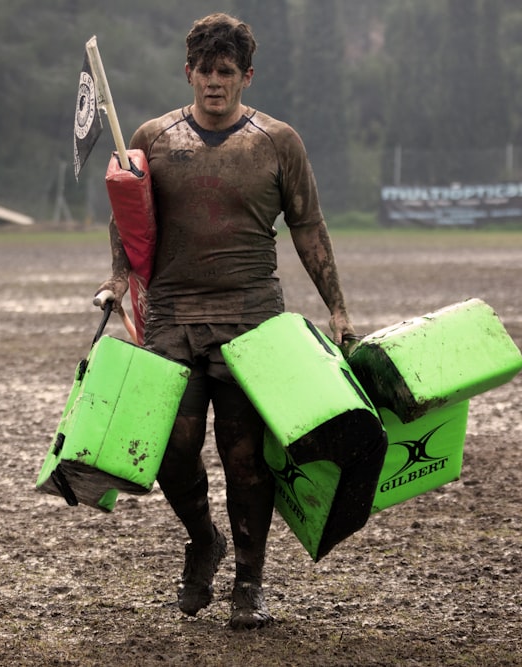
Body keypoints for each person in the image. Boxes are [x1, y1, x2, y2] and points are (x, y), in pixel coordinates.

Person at [97, 13, 359, 630]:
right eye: (204, 72)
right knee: (171, 449)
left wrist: (338, 307)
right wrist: (117, 276)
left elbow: (308, 227)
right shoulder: (153, 137)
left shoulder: (277, 141)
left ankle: (249, 583)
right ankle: (202, 539)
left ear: (246, 75)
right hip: (172, 317)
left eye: (226, 72)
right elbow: (126, 214)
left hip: (251, 321)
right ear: (188, 72)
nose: (214, 83)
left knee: (244, 458)